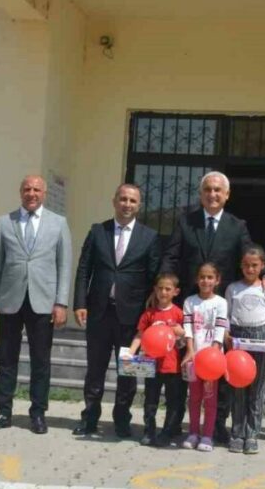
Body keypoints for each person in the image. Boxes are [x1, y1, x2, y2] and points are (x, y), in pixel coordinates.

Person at [161, 170, 265, 443]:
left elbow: (251, 256)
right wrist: (165, 292)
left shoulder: (237, 226)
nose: (212, 194)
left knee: (218, 371)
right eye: (207, 190)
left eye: (217, 190)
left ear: (227, 195)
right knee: (183, 369)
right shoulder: (185, 222)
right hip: (189, 309)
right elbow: (170, 256)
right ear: (201, 194)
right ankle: (175, 423)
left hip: (219, 311)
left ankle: (216, 426)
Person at [0, 174, 73, 434]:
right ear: (20, 192)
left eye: (36, 189)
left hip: (43, 301)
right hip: (10, 299)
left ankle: (38, 413)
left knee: (40, 360)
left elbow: (64, 264)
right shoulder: (5, 221)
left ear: (43, 194)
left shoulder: (58, 224)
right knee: (6, 358)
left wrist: (61, 302)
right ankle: (3, 410)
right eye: (27, 189)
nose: (31, 194)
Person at [72, 183, 161, 438]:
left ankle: (122, 420)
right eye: (123, 199)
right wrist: (79, 303)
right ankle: (90, 418)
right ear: (114, 201)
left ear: (139, 206)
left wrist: (150, 318)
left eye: (133, 201)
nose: (127, 205)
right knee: (95, 369)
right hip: (99, 313)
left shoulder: (149, 237)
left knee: (128, 371)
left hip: (131, 317)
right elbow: (83, 269)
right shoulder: (98, 231)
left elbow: (154, 278)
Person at [225, 246, 265, 454]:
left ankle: (252, 434)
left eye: (255, 265)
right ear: (241, 266)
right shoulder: (233, 288)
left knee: (256, 388)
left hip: (259, 337)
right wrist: (226, 335)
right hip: (238, 339)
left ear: (262, 266)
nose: (250, 269)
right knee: (238, 388)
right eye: (246, 265)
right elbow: (227, 315)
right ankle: (237, 432)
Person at [126, 272, 186, 447]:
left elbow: (183, 343)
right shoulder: (149, 314)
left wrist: (181, 334)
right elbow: (140, 335)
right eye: (160, 288)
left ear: (175, 291)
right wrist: (130, 353)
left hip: (171, 366)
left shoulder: (178, 314)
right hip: (150, 365)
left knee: (172, 401)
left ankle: (167, 432)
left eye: (168, 289)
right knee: (150, 400)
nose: (163, 292)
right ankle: (149, 430)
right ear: (155, 290)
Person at [181, 263, 229, 452]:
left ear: (217, 280)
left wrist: (214, 355)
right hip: (194, 359)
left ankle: (207, 436)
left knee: (210, 399)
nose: (205, 281)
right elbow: (188, 329)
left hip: (212, 361)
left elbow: (219, 330)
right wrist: (190, 350)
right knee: (194, 397)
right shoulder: (189, 301)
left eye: (210, 277)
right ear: (196, 279)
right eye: (202, 277)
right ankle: (193, 433)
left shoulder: (221, 303)